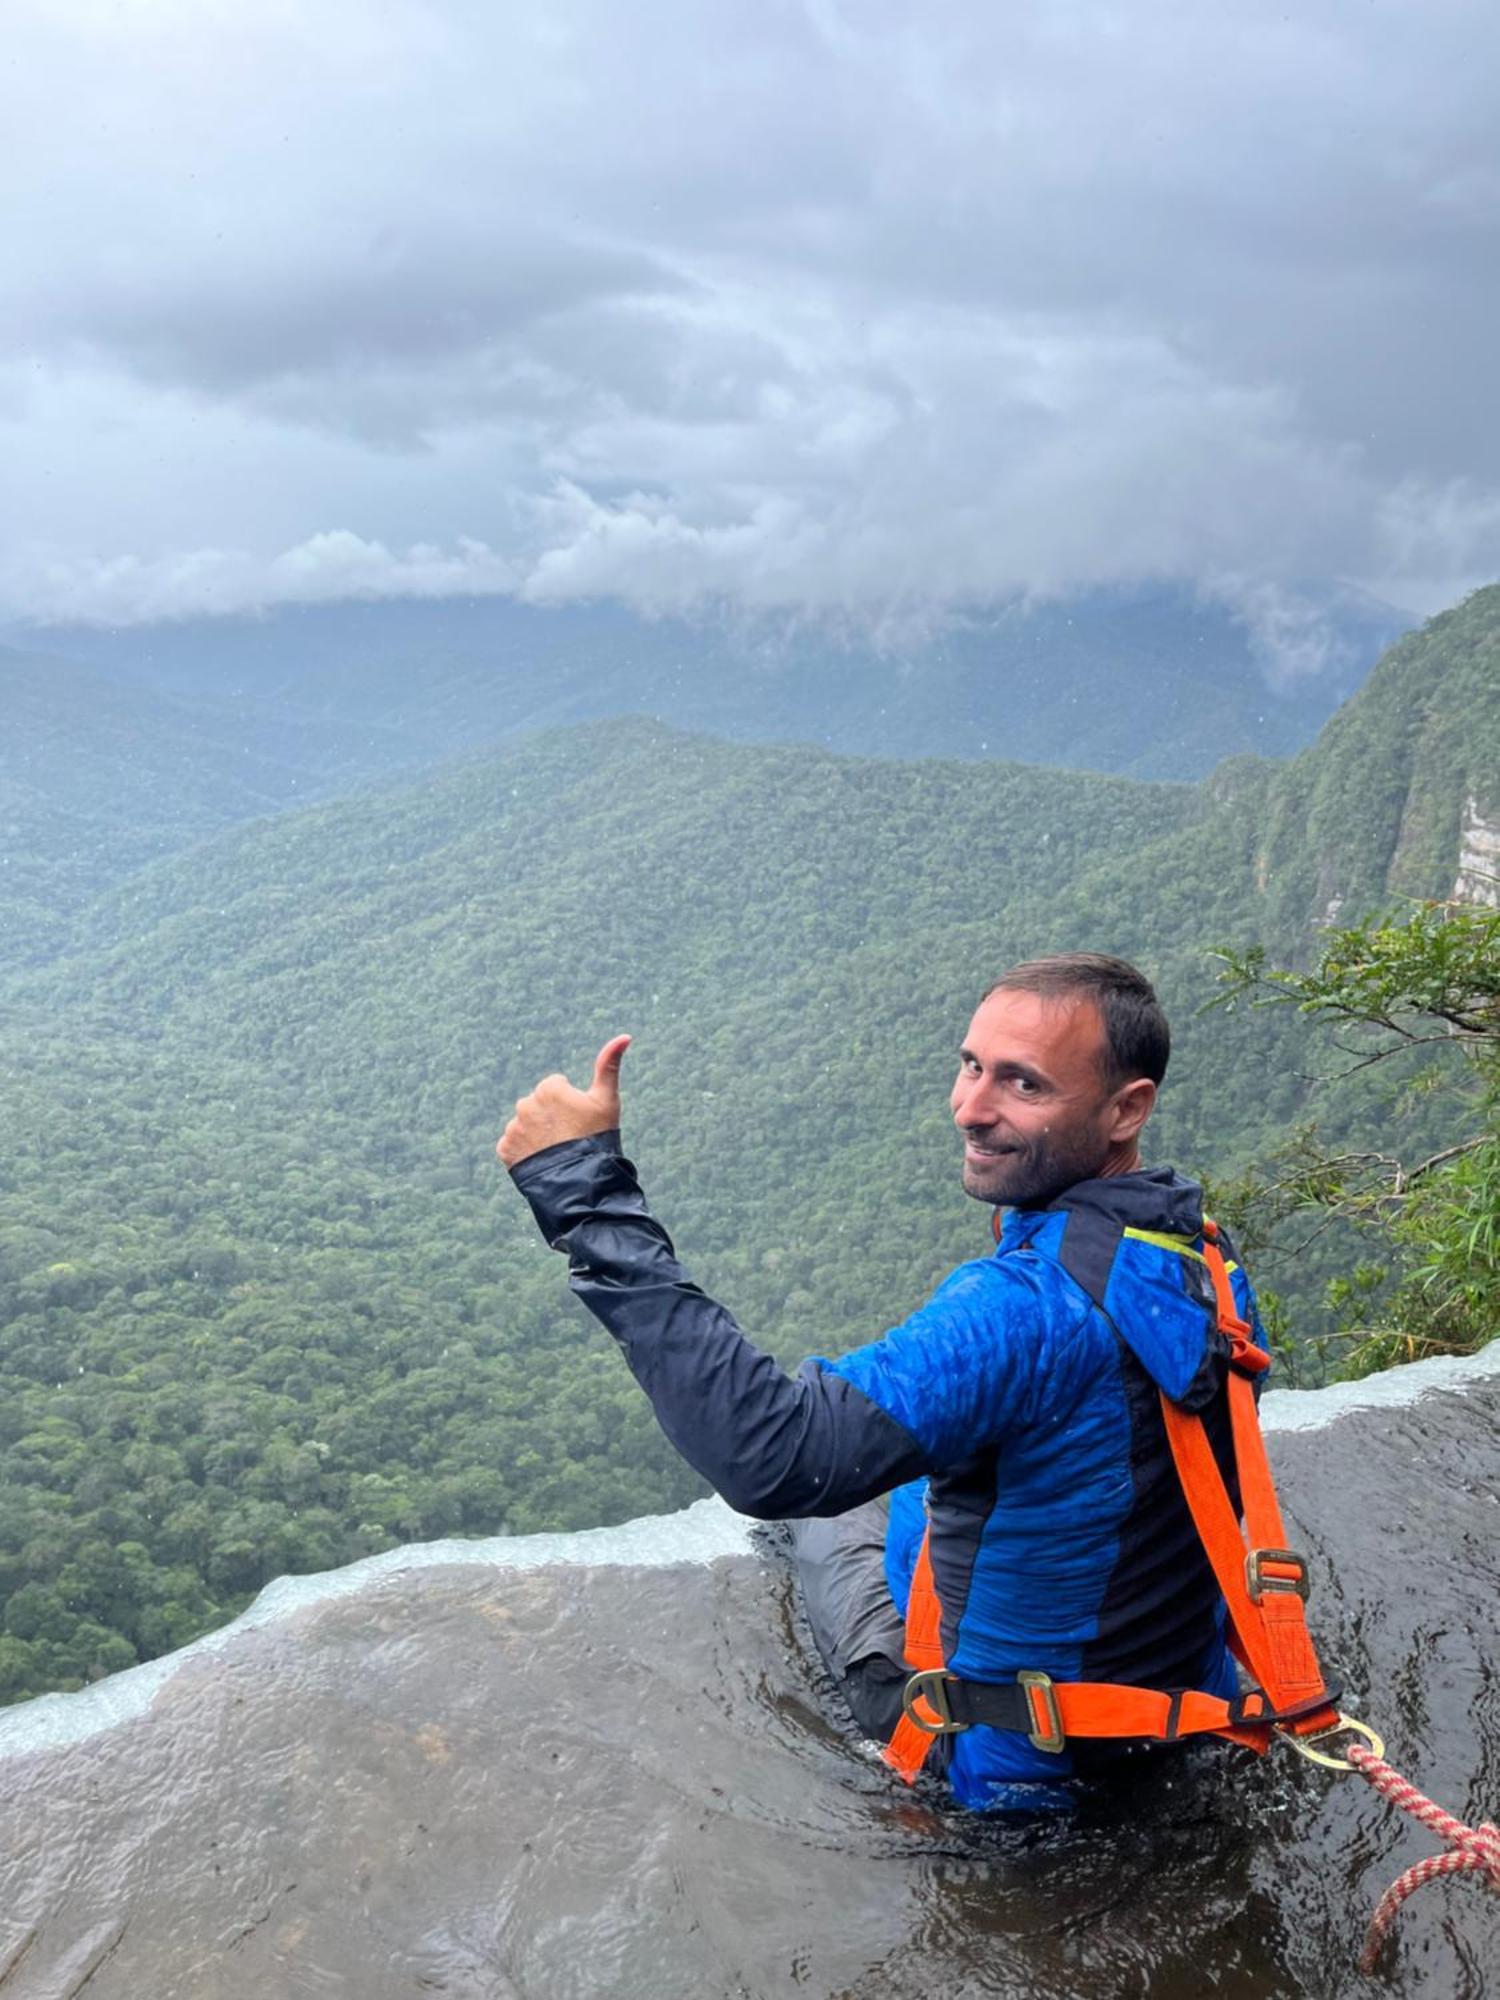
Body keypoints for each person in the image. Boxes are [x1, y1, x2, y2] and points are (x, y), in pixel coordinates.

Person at [498, 953, 1268, 1812]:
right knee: (899, 1456)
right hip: (1177, 1699)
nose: (969, 1107)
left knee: (821, 1514)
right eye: (971, 1064)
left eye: (1022, 1085)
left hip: (1018, 1765)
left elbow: (773, 1457)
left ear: (1127, 1109)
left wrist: (581, 1187)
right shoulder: (1198, 1251)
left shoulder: (1022, 1312)